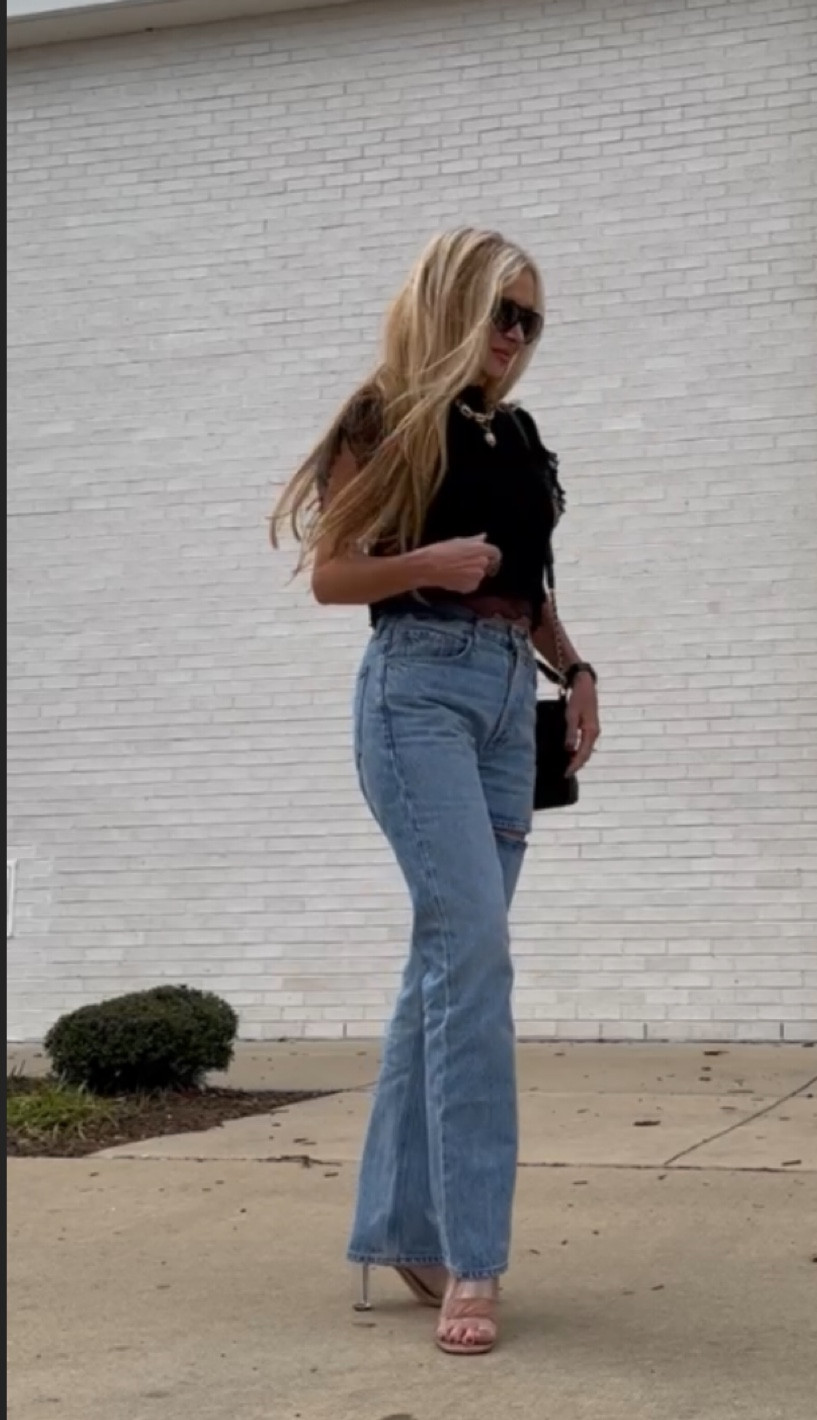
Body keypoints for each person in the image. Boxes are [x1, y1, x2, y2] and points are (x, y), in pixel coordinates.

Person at [270, 228, 600, 1355]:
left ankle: (400, 1226)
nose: (514, 339)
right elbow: (330, 574)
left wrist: (578, 671)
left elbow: (527, 584)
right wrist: (423, 563)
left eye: (530, 322)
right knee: (475, 957)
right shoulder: (389, 414)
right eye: (501, 313)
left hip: (512, 699)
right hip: (417, 690)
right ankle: (472, 1257)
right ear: (453, 304)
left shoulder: (516, 433)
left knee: (444, 961)